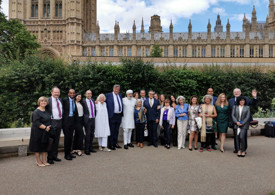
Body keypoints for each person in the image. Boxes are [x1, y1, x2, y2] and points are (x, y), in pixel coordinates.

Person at [229, 88, 257, 153]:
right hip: (235, 121)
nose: (236, 93)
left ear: (240, 92)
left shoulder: (246, 98)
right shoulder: (230, 100)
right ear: (233, 93)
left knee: (243, 136)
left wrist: (254, 98)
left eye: (238, 91)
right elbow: (230, 112)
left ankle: (243, 149)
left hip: (245, 121)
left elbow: (253, 104)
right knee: (236, 136)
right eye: (235, 92)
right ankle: (237, 149)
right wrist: (232, 121)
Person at [29, 97, 51, 167]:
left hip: (46, 132)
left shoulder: (47, 110)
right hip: (37, 132)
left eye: (45, 101)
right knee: (37, 147)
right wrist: (45, 127)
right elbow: (36, 123)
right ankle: (38, 161)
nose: (43, 102)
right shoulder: (36, 112)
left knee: (45, 146)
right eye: (42, 101)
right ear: (39, 102)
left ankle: (44, 161)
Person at [46, 87, 63, 165]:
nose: (57, 94)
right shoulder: (47, 100)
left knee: (56, 141)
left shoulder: (60, 100)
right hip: (52, 122)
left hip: (59, 121)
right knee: (51, 141)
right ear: (51, 92)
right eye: (55, 92)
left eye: (58, 92)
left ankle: (54, 156)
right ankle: (49, 158)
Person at [106, 84, 123, 150]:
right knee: (111, 130)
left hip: (119, 115)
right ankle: (110, 144)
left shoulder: (120, 95)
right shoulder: (108, 95)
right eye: (115, 89)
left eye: (118, 89)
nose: (117, 90)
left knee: (117, 130)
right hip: (112, 115)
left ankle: (115, 143)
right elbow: (102, 100)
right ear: (113, 89)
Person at [62, 89, 76, 160]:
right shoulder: (64, 100)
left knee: (71, 138)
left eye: (73, 93)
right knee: (67, 138)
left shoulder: (74, 101)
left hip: (72, 120)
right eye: (71, 93)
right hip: (66, 121)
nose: (72, 94)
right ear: (68, 94)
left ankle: (69, 153)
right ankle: (66, 154)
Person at [82, 90, 97, 155]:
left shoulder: (93, 101)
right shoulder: (83, 101)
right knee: (87, 135)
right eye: (88, 93)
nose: (89, 94)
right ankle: (86, 149)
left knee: (92, 134)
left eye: (90, 93)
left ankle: (91, 147)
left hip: (93, 119)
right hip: (87, 120)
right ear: (85, 94)